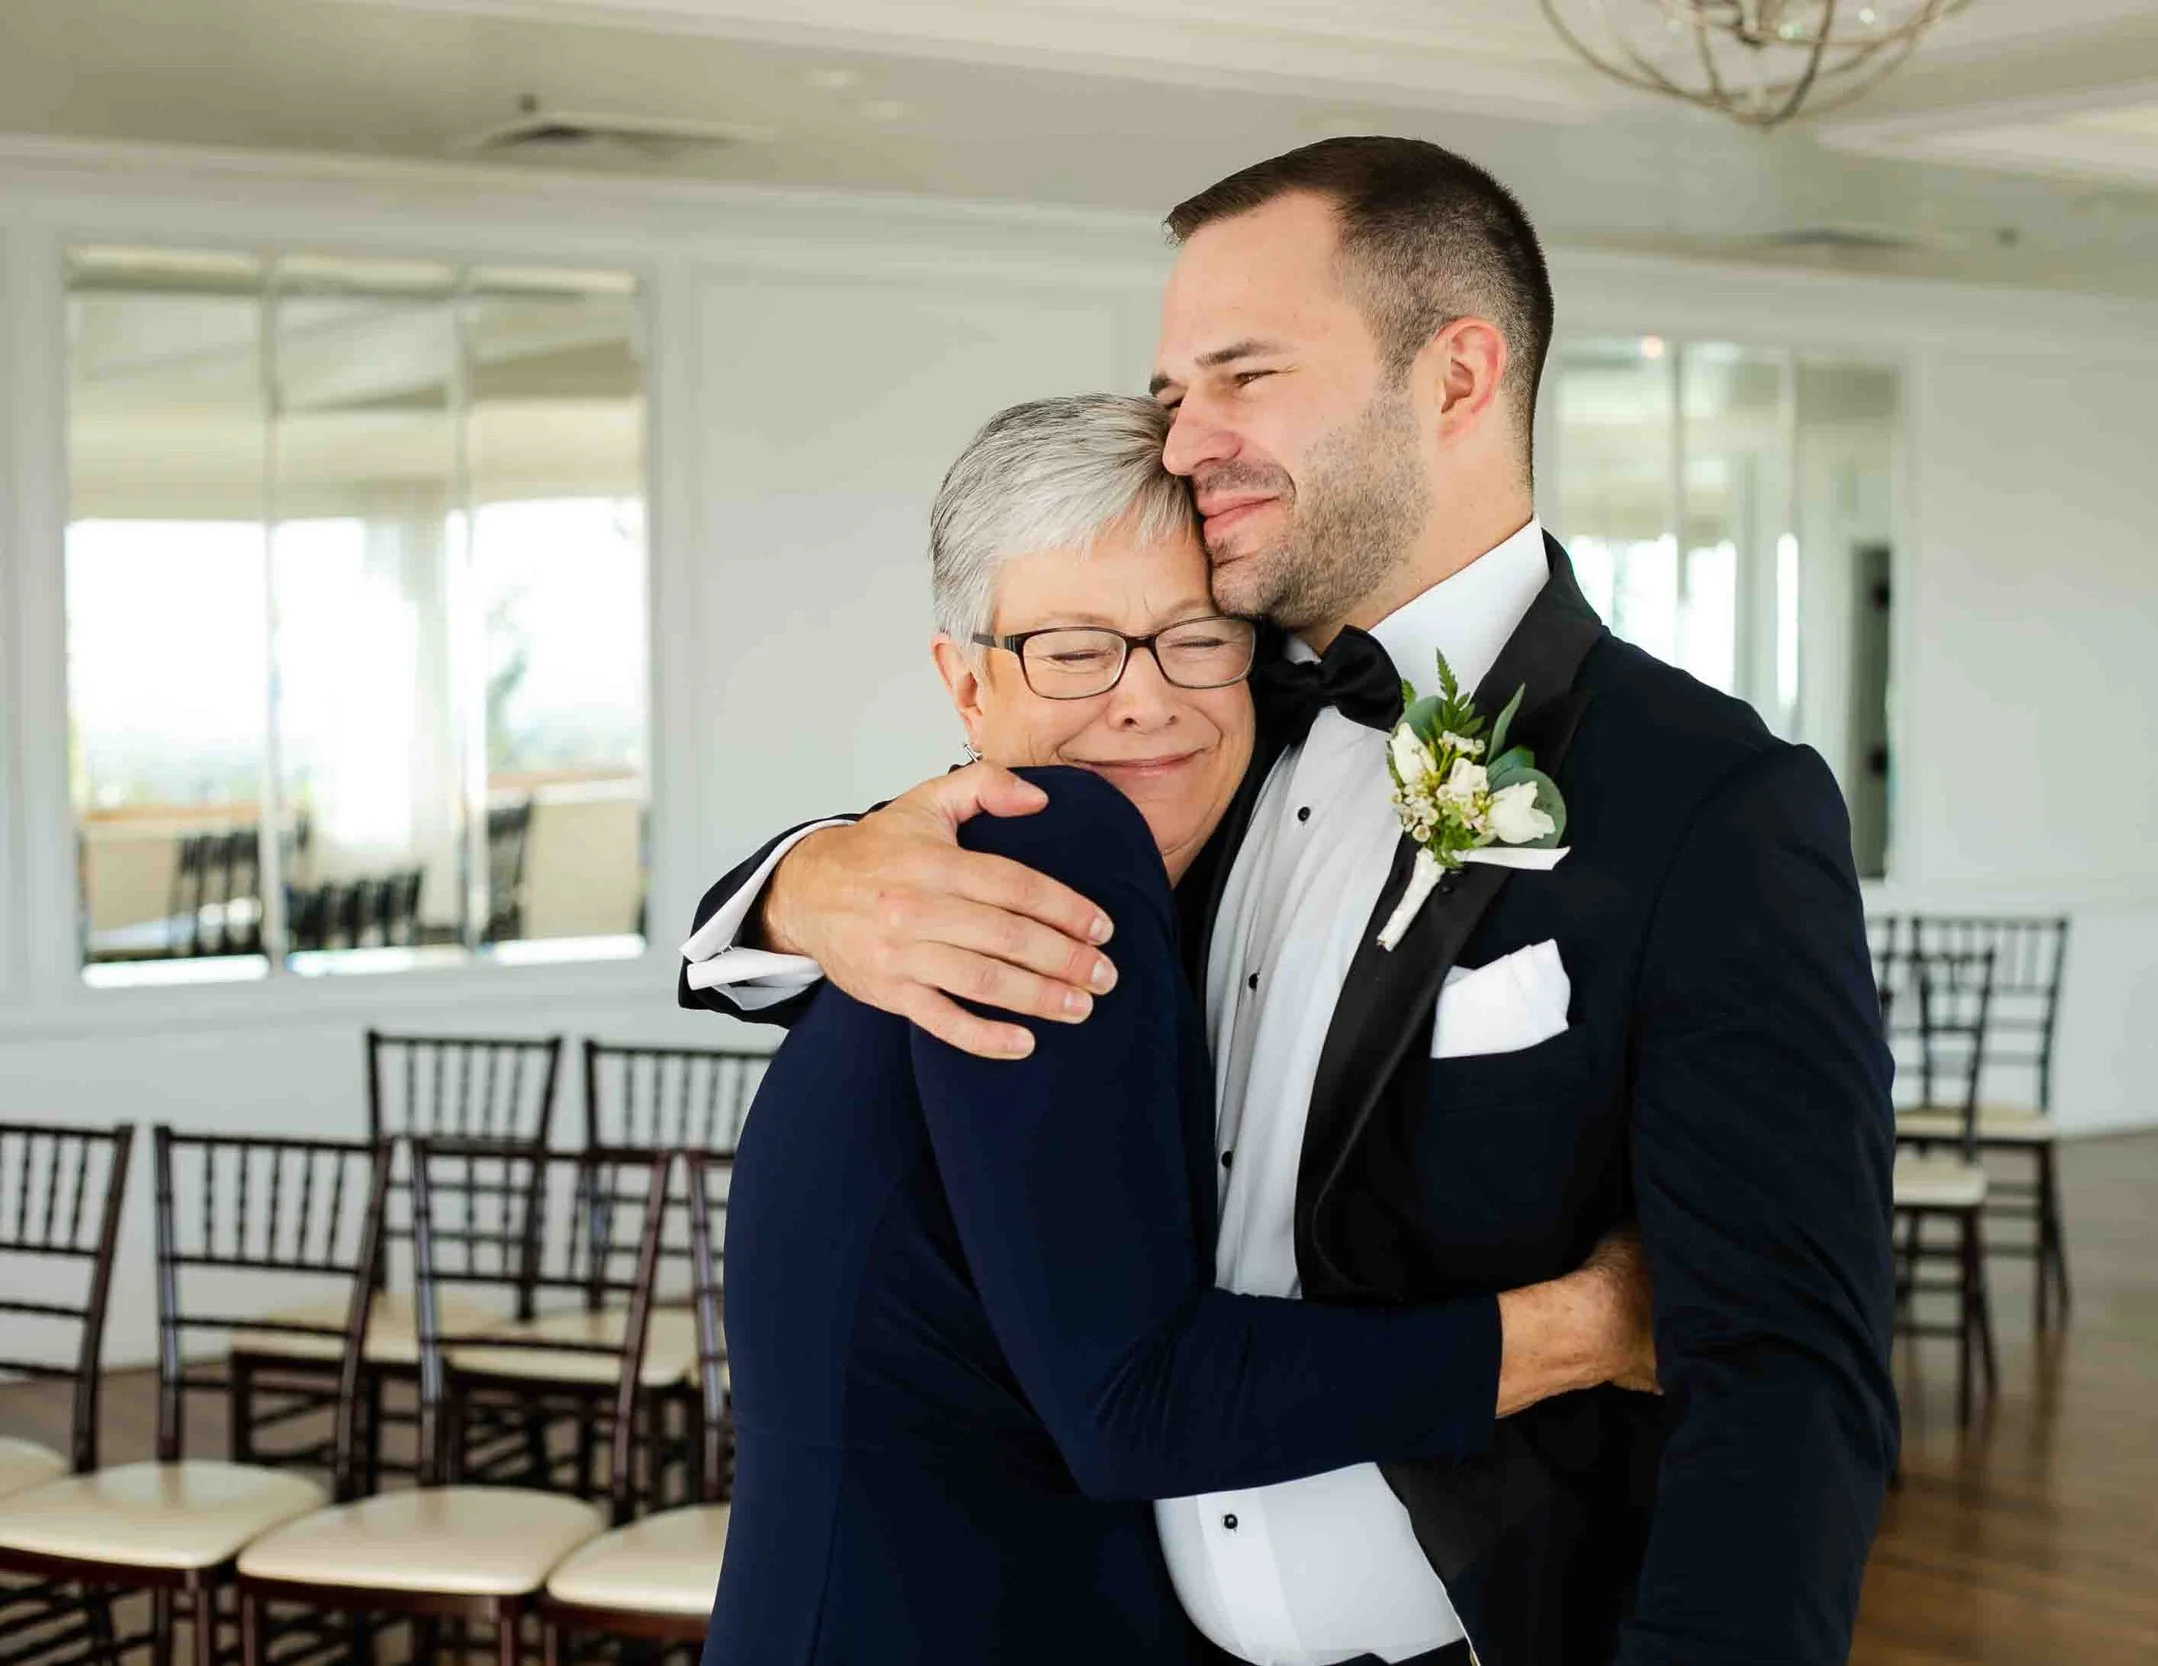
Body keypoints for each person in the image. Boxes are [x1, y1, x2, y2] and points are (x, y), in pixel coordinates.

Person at [686, 140, 1899, 1666]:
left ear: (1458, 374)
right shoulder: (1196, 719)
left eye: (1241, 376)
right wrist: (794, 883)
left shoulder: (1710, 803)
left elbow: (1785, 1382)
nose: (1186, 440)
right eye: (1172, 389)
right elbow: (966, 834)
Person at [704, 394, 1657, 1665]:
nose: (1144, 702)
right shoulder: (1057, 845)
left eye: (1191, 638)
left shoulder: (1074, 861)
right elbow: (1134, 1407)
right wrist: (1591, 1326)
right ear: (968, 684)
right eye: (1072, 649)